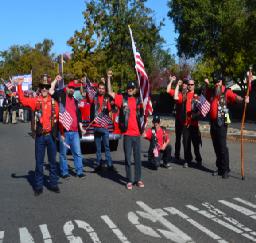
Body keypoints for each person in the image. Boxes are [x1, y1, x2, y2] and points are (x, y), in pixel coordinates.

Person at [17, 77, 60, 196]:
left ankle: (53, 184)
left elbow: (58, 120)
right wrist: (19, 86)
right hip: (40, 136)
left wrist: (61, 135)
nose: (45, 89)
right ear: (40, 88)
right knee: (39, 163)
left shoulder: (54, 103)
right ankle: (38, 186)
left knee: (52, 162)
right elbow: (22, 100)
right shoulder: (35, 101)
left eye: (47, 87)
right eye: (43, 87)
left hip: (51, 136)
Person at [204, 77, 249, 179]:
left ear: (221, 82)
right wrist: (206, 84)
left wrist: (243, 100)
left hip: (222, 122)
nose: (217, 84)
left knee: (222, 146)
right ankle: (219, 168)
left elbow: (236, 97)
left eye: (218, 82)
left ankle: (225, 169)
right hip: (213, 122)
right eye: (215, 82)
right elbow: (206, 96)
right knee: (216, 146)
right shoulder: (212, 92)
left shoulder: (226, 92)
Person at [108, 77, 144, 190]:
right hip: (127, 134)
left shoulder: (139, 100)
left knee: (137, 158)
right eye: (128, 88)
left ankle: (138, 179)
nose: (130, 89)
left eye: (132, 88)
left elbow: (144, 113)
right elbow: (110, 92)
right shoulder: (121, 99)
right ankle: (129, 180)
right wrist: (109, 78)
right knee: (128, 158)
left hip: (137, 134)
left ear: (134, 90)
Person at [49, 77, 86, 178]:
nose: (72, 89)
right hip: (63, 132)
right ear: (67, 87)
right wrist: (56, 79)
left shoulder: (75, 101)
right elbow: (50, 90)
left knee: (77, 153)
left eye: (73, 88)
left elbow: (78, 116)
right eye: (70, 87)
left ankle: (79, 171)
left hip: (75, 132)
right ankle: (64, 172)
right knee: (63, 154)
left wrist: (81, 128)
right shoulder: (61, 96)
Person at [89, 80, 117, 172]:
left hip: (104, 126)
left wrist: (111, 105)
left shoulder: (107, 98)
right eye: (99, 88)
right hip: (96, 126)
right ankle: (98, 164)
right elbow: (88, 99)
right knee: (98, 148)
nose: (101, 90)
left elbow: (110, 109)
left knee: (106, 147)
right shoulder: (94, 97)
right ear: (98, 89)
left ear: (104, 90)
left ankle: (110, 165)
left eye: (102, 89)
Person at [174, 79, 202, 168]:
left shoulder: (197, 96)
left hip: (194, 124)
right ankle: (187, 160)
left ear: (194, 85)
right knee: (186, 143)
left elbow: (201, 111)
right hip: (185, 124)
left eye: (192, 84)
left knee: (195, 144)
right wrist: (177, 85)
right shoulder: (184, 95)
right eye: (189, 84)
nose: (190, 86)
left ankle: (198, 159)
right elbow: (175, 97)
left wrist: (194, 116)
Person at [167, 76, 188, 161]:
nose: (185, 85)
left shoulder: (190, 94)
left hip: (186, 120)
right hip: (178, 119)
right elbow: (168, 90)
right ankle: (177, 155)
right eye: (184, 83)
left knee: (186, 140)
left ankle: (187, 157)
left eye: (186, 84)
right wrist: (171, 81)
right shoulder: (179, 93)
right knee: (178, 138)